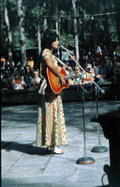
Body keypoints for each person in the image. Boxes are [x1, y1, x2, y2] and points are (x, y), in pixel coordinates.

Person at [36, 30, 68, 154]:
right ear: (50, 41)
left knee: (51, 115)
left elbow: (55, 67)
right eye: (55, 40)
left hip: (52, 90)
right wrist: (60, 76)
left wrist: (65, 71)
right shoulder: (46, 52)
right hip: (49, 90)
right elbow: (49, 66)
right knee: (52, 115)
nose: (57, 42)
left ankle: (51, 144)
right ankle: (53, 146)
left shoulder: (51, 54)